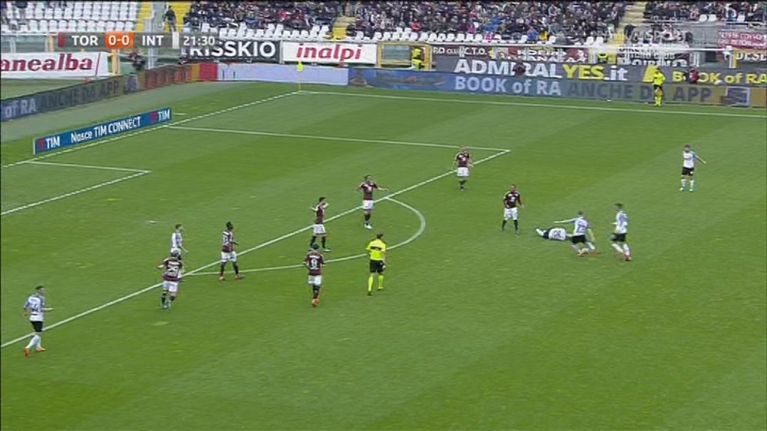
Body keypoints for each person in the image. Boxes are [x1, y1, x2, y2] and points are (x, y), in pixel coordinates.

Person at [23, 285, 53, 357]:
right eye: (42, 290)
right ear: (38, 290)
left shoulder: (31, 297)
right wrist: (49, 309)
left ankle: (38, 347)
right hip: (38, 318)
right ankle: (27, 347)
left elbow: (25, 306)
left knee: (37, 332)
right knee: (38, 334)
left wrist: (25, 312)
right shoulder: (41, 298)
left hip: (32, 317)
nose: (43, 291)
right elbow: (41, 309)